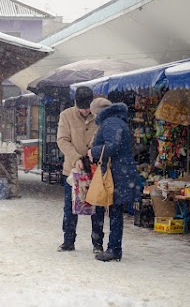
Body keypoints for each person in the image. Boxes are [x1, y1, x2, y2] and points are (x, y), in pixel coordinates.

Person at [87, 100, 140, 262]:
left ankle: (114, 249)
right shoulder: (117, 121)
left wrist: (93, 152)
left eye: (94, 113)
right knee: (115, 211)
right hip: (119, 171)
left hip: (117, 173)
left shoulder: (110, 122)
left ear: (98, 112)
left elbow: (112, 146)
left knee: (115, 211)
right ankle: (114, 247)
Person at [56, 86, 98, 252]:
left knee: (96, 206)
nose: (85, 110)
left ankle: (97, 242)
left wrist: (93, 155)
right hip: (72, 171)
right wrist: (76, 158)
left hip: (94, 169)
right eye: (82, 107)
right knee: (70, 206)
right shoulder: (66, 115)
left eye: (88, 107)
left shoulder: (98, 115)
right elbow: (63, 140)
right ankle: (68, 240)